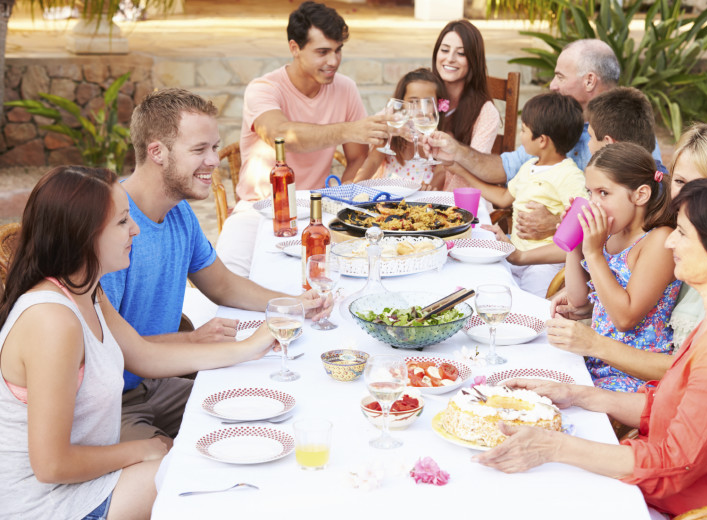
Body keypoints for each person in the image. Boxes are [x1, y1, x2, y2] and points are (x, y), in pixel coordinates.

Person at [475, 175, 707, 518]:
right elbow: (671, 405)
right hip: (687, 486)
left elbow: (673, 465)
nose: (670, 242)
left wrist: (553, 447)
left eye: (683, 233)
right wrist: (578, 394)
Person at [0, 166, 276, 519]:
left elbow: (143, 355)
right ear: (82, 235)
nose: (136, 230)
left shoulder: (86, 290)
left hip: (83, 480)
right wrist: (143, 450)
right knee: (198, 483)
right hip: (48, 503)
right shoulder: (52, 322)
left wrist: (251, 346)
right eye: (122, 222)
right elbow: (52, 465)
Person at [100, 88, 324, 446]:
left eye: (215, 147)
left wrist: (295, 303)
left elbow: (223, 285)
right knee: (177, 464)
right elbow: (109, 351)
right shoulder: (111, 229)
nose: (214, 160)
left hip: (159, 384)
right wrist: (190, 340)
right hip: (113, 403)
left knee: (274, 407)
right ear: (157, 151)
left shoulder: (179, 212)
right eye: (199, 149)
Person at [547, 123, 707, 382]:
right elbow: (643, 300)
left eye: (702, 185)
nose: (685, 195)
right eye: (679, 181)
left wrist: (595, 343)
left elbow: (697, 370)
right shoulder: (679, 238)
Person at [216, 0, 388, 275]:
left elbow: (357, 158)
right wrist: (349, 129)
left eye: (338, 50)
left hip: (318, 210)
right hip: (258, 209)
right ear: (294, 48)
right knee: (225, 282)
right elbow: (280, 135)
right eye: (322, 52)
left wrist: (340, 201)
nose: (333, 61)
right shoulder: (263, 89)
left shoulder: (346, 88)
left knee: (348, 275)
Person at [428, 40, 661, 239]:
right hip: (530, 247)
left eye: (560, 76)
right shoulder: (557, 123)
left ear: (589, 81)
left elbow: (642, 215)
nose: (552, 85)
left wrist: (559, 225)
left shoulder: (626, 130)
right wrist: (456, 151)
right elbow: (505, 169)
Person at [565, 142, 679, 392]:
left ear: (640, 195)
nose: (593, 203)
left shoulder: (658, 240)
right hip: (596, 361)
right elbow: (577, 299)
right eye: (590, 193)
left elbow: (625, 318)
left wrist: (593, 253)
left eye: (603, 193)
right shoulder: (609, 236)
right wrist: (575, 244)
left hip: (631, 375)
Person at [459, 92, 585, 297]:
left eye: (524, 130)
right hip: (515, 251)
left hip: (544, 263)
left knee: (527, 307)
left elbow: (580, 227)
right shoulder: (529, 167)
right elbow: (502, 198)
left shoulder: (570, 176)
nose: (521, 135)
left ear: (542, 140)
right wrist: (461, 172)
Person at [431, 19, 500, 191]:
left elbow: (475, 169)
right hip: (419, 192)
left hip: (462, 199)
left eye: (461, 53)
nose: (450, 59)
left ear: (473, 60)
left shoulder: (486, 112)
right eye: (445, 50)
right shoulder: (424, 94)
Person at [352, 68, 447, 185]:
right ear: (402, 103)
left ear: (438, 104)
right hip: (390, 194)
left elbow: (441, 171)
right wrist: (356, 184)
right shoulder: (392, 131)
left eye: (427, 102)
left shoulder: (442, 135)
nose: (420, 109)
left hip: (422, 196)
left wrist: (431, 188)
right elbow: (373, 161)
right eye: (413, 102)